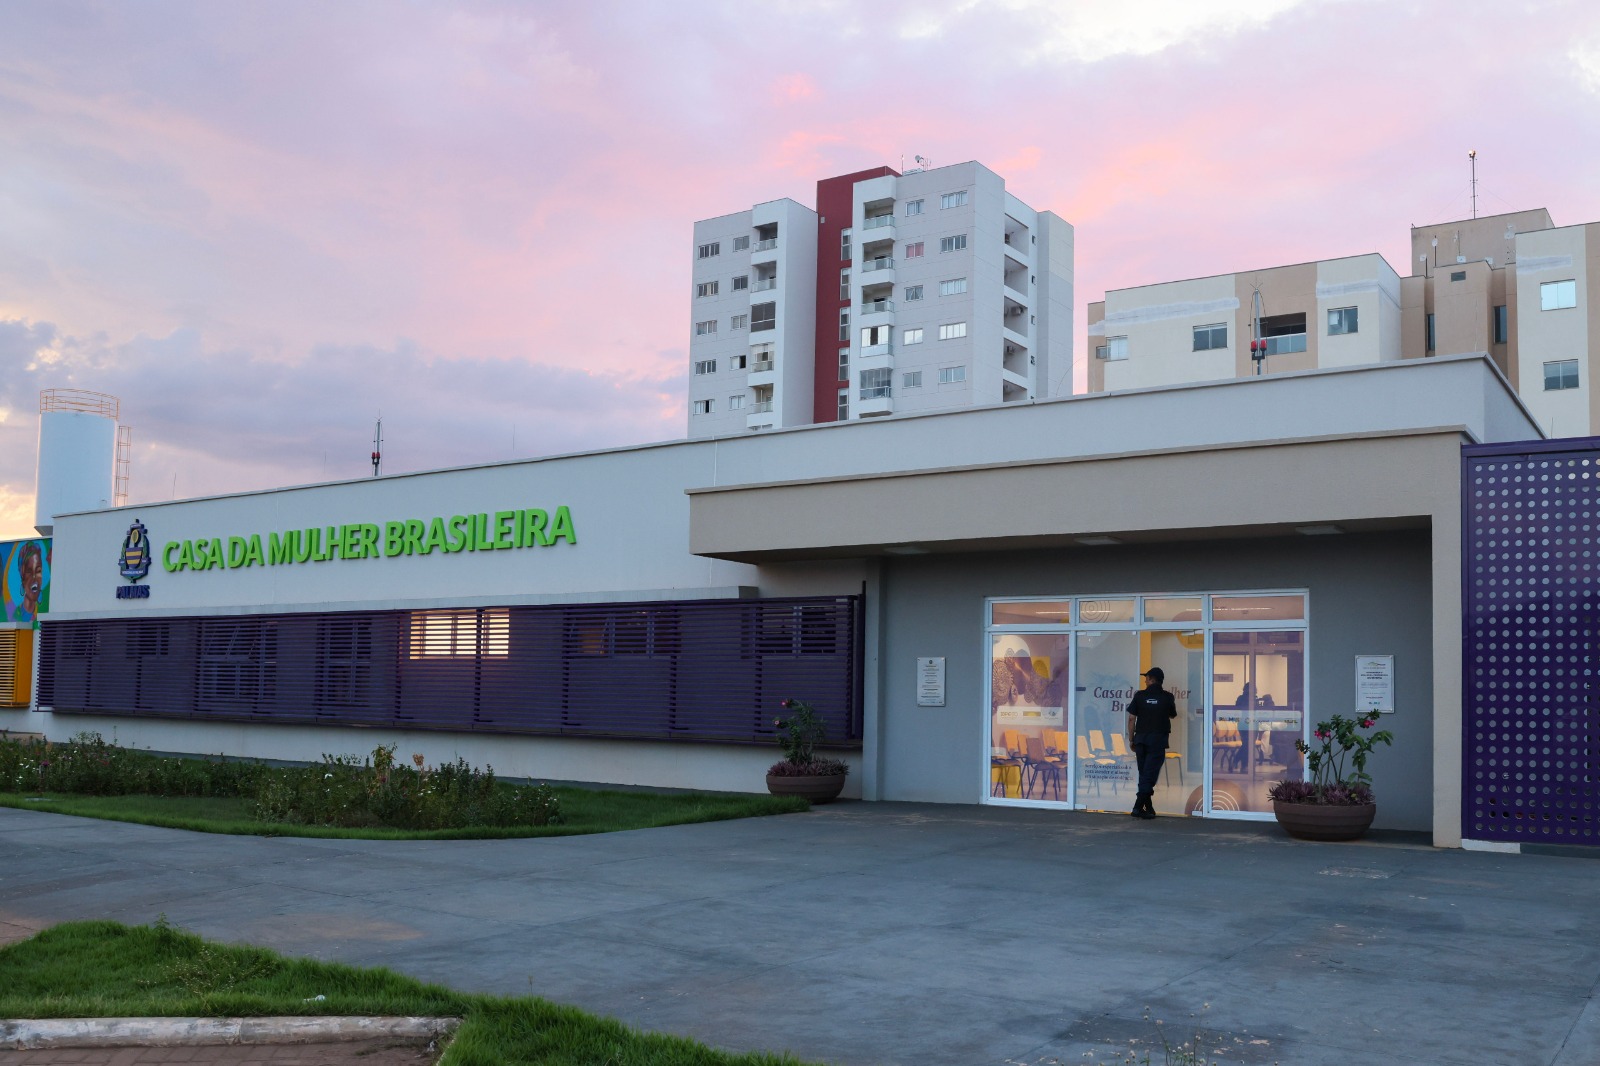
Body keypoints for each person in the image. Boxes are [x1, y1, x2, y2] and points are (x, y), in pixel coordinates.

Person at [1125, 666, 1177, 819]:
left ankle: (1147, 807)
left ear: (1152, 679)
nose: (1145, 680)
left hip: (1141, 740)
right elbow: (1172, 715)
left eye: (1146, 678)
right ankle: (1137, 808)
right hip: (1158, 741)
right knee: (1149, 775)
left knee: (1144, 774)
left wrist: (1131, 738)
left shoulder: (1140, 696)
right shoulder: (1167, 697)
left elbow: (1131, 718)